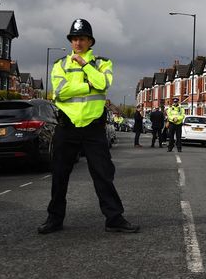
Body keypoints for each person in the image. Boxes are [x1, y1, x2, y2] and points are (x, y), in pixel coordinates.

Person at [38, 18, 139, 234]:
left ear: (90, 41)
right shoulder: (60, 64)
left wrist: (85, 66)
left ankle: (114, 218)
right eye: (74, 39)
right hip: (68, 126)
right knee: (59, 174)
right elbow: (59, 92)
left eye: (82, 38)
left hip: (94, 127)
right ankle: (54, 219)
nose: (78, 43)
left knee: (103, 173)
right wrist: (88, 85)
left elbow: (103, 84)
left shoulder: (103, 63)